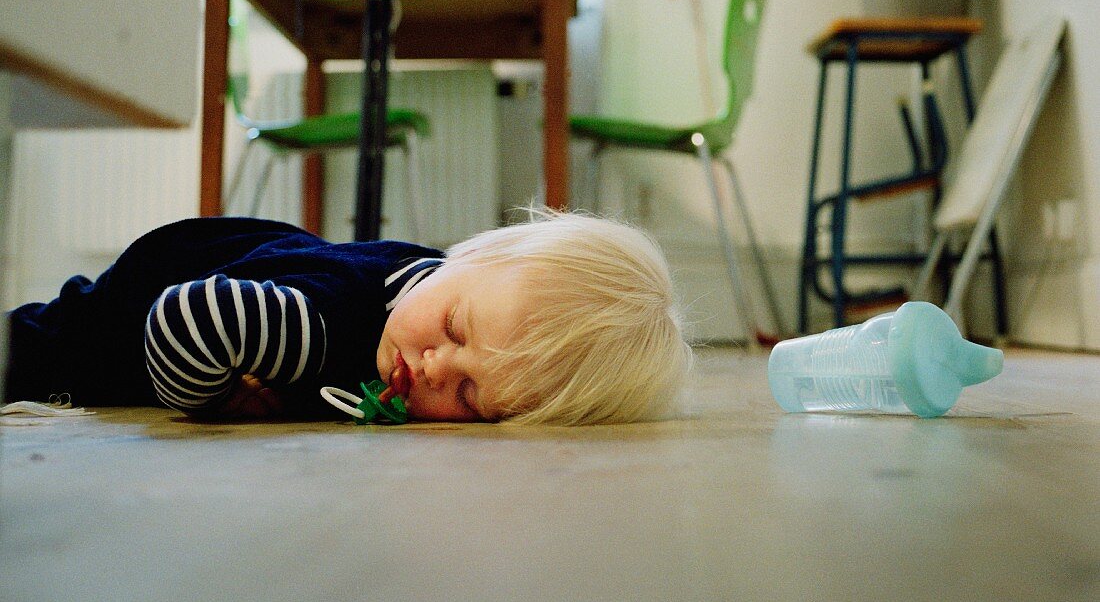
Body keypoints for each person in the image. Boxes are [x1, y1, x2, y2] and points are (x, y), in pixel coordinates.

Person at [4, 210, 691, 425]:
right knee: (26, 352)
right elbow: (186, 321)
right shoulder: (326, 323)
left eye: (472, 396)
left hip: (237, 268)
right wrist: (222, 405)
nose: (434, 367)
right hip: (111, 323)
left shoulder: (441, 286)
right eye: (454, 329)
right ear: (469, 255)